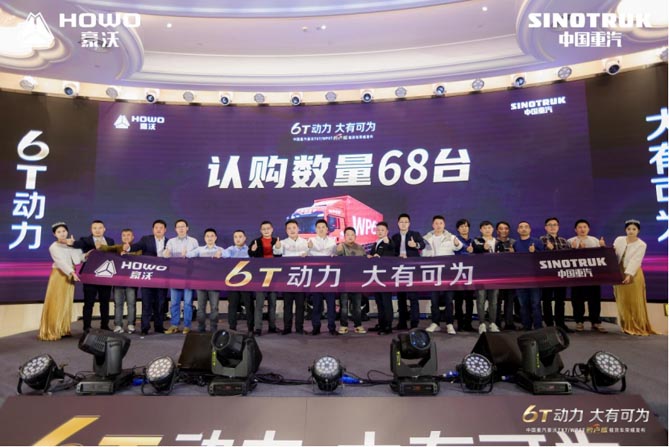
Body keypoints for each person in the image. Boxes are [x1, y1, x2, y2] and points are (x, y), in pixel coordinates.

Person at [38, 222, 85, 341]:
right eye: (59, 232)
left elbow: (78, 258)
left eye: (64, 231)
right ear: (54, 234)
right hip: (59, 275)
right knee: (56, 301)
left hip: (70, 275)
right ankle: (52, 331)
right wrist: (72, 273)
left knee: (66, 301)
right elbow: (61, 262)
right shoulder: (53, 247)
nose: (62, 233)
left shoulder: (71, 243)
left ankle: (63, 329)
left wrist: (86, 255)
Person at [612, 220, 657, 336]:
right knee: (622, 300)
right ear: (625, 230)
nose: (631, 231)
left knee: (634, 300)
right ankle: (626, 325)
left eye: (634, 229)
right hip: (619, 272)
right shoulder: (619, 240)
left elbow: (636, 260)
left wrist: (629, 274)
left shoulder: (641, 244)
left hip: (633, 273)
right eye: (629, 229)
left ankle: (638, 326)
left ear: (638, 231)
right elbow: (613, 253)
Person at [126, 219, 169, 335]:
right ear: (153, 229)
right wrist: (129, 248)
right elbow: (137, 246)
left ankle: (159, 327)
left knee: (160, 303)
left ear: (165, 230)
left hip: (162, 278)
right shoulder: (146, 239)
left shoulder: (169, 242)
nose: (158, 230)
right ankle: (145, 328)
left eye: (161, 228)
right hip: (148, 277)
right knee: (146, 303)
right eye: (156, 228)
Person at [70, 220, 115, 332]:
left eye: (100, 228)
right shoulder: (85, 240)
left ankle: (104, 325)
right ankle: (87, 327)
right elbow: (77, 244)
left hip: (105, 276)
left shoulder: (110, 241)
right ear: (91, 230)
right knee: (89, 303)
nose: (97, 230)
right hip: (90, 276)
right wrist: (71, 243)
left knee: (105, 302)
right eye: (95, 228)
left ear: (104, 229)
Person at [422, 215, 461, 334]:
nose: (438, 225)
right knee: (434, 300)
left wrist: (456, 243)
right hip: (433, 273)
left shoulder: (450, 237)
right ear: (432, 225)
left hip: (448, 274)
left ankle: (449, 324)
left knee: (449, 299)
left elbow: (458, 247)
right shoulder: (426, 238)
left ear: (444, 225)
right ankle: (435, 323)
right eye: (436, 223)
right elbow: (423, 254)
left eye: (441, 223)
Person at [567, 219, 607, 333]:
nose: (582, 229)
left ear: (588, 229)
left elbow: (602, 257)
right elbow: (565, 259)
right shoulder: (570, 241)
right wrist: (573, 249)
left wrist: (603, 247)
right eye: (579, 227)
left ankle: (595, 322)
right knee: (577, 299)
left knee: (594, 299)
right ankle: (579, 321)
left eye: (585, 227)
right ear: (575, 230)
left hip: (593, 275)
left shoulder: (595, 240)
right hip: (576, 275)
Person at [98, 229, 141, 334]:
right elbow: (107, 248)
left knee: (131, 303)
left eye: (128, 235)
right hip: (118, 281)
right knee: (118, 303)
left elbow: (139, 258)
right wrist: (99, 246)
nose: (126, 237)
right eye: (124, 235)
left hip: (131, 281)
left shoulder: (138, 248)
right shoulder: (117, 247)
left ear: (133, 237)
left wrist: (127, 254)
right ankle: (118, 325)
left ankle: (131, 324)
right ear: (121, 237)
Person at [164, 219, 199, 335]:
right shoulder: (171, 241)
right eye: (178, 227)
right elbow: (166, 255)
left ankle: (187, 326)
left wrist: (188, 255)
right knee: (174, 302)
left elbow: (198, 257)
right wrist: (166, 254)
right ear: (175, 229)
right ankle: (174, 325)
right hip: (175, 276)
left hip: (189, 276)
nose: (181, 228)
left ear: (187, 228)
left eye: (183, 226)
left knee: (188, 303)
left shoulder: (193, 241)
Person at [274, 219, 308, 335]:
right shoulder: (282, 242)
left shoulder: (305, 242)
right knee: (287, 305)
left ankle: (299, 328)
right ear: (286, 231)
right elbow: (277, 252)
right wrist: (277, 246)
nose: (292, 230)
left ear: (298, 229)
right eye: (289, 228)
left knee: (300, 305)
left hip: (301, 278)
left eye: (294, 228)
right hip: (287, 278)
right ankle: (287, 328)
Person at [392, 213, 426, 330]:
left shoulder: (415, 234)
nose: (403, 224)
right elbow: (392, 252)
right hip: (399, 269)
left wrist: (415, 244)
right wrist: (397, 256)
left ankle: (414, 324)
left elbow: (422, 245)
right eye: (401, 222)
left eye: (406, 222)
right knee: (401, 297)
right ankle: (402, 323)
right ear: (398, 224)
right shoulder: (395, 237)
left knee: (413, 297)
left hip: (412, 269)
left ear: (409, 224)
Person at [187, 228, 224, 333]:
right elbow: (188, 255)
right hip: (201, 283)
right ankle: (201, 328)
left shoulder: (220, 250)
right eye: (207, 236)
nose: (210, 238)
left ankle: (213, 328)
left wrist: (221, 255)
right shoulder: (199, 250)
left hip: (215, 283)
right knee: (201, 308)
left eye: (212, 236)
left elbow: (229, 257)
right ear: (204, 238)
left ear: (215, 238)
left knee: (214, 308)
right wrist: (185, 253)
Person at [540, 217, 573, 333]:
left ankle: (560, 324)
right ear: (546, 227)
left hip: (561, 276)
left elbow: (569, 257)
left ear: (558, 227)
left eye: (555, 225)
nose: (552, 227)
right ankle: (549, 324)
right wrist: (548, 250)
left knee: (560, 301)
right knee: (547, 300)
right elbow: (538, 257)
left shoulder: (564, 241)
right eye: (550, 225)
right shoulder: (541, 240)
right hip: (546, 276)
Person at [248, 221, 281, 336]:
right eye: (264, 229)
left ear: (272, 229)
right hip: (260, 277)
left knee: (273, 302)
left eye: (268, 228)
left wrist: (278, 248)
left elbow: (281, 257)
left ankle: (272, 326)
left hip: (274, 275)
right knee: (259, 304)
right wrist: (253, 250)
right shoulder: (256, 241)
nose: (266, 231)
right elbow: (250, 254)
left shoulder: (276, 241)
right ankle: (258, 328)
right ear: (261, 231)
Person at [471, 220, 504, 334]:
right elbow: (476, 249)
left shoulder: (498, 242)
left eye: (489, 227)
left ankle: (492, 323)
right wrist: (484, 248)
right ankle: (481, 324)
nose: (487, 230)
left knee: (493, 300)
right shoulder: (477, 241)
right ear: (481, 230)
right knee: (481, 299)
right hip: (481, 275)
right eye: (484, 228)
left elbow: (503, 257)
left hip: (495, 275)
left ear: (493, 229)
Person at [308, 219, 338, 335]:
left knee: (331, 304)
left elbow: (332, 255)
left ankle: (332, 327)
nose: (321, 229)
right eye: (318, 227)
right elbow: (310, 255)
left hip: (329, 277)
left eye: (323, 227)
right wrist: (312, 250)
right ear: (315, 229)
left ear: (327, 229)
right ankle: (316, 327)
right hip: (316, 277)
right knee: (316, 305)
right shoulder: (310, 241)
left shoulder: (332, 241)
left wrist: (317, 252)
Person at [336, 227, 367, 334]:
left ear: (355, 236)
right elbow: (337, 257)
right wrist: (339, 250)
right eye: (348, 235)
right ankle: (343, 325)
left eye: (352, 234)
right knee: (344, 305)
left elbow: (365, 262)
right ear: (344, 236)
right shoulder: (340, 246)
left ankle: (358, 325)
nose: (350, 236)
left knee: (357, 306)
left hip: (356, 281)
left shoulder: (360, 248)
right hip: (344, 281)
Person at [513, 221, 543, 331]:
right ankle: (526, 326)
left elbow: (544, 259)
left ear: (530, 229)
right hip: (520, 279)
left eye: (526, 227)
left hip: (535, 279)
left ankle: (538, 327)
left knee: (535, 304)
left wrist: (535, 252)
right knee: (523, 304)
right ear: (518, 230)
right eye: (521, 227)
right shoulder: (515, 244)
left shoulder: (537, 242)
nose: (523, 229)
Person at [368, 221, 396, 335]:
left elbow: (392, 253)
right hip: (376, 277)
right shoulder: (376, 243)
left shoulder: (388, 242)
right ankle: (381, 324)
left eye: (382, 230)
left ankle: (388, 326)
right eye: (378, 230)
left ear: (387, 232)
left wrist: (380, 256)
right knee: (379, 301)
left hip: (385, 277)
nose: (380, 232)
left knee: (386, 302)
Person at [223, 230, 252, 332]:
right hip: (233, 283)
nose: (238, 239)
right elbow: (224, 255)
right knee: (232, 305)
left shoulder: (250, 250)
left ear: (245, 238)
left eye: (240, 236)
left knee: (249, 305)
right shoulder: (229, 250)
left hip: (247, 282)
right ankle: (232, 328)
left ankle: (250, 328)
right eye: (235, 237)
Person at [454, 218, 475, 332]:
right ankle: (460, 324)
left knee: (469, 300)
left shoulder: (473, 241)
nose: (464, 228)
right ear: (458, 229)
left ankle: (468, 323)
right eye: (462, 226)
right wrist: (467, 251)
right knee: (458, 300)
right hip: (458, 274)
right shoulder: (455, 240)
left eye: (466, 226)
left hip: (470, 274)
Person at [495, 221, 517, 330]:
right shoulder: (493, 242)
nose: (504, 230)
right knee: (497, 301)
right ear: (497, 231)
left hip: (510, 276)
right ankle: (496, 323)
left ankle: (509, 323)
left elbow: (520, 259)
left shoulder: (514, 242)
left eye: (506, 228)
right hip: (496, 276)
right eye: (501, 228)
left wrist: (514, 253)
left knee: (509, 300)